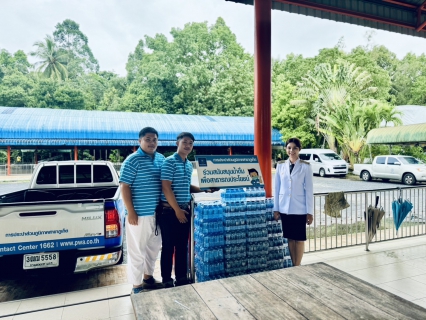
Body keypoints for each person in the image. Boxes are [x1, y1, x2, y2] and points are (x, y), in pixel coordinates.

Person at [159, 132, 215, 288]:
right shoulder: (169, 162)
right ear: (177, 143)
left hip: (184, 210)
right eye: (185, 142)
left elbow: (186, 187)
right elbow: (166, 187)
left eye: (191, 143)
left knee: (182, 246)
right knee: (169, 246)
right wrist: (177, 210)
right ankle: (166, 279)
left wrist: (204, 189)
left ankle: (181, 277)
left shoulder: (188, 164)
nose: (188, 145)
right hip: (169, 212)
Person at [120, 127, 165, 294]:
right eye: (148, 139)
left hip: (157, 214)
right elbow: (125, 186)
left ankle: (148, 278)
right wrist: (130, 211)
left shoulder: (161, 159)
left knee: (153, 249)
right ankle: (136, 286)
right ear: (140, 141)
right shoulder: (132, 160)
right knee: (137, 251)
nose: (152, 142)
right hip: (138, 215)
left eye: (154, 139)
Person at [273, 137, 313, 266]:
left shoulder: (305, 167)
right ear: (286, 149)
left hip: (300, 209)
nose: (292, 150)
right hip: (286, 209)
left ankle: (298, 265)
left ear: (299, 150)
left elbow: (309, 191)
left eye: (295, 148)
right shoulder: (280, 166)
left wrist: (309, 212)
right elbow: (277, 188)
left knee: (299, 239)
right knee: (290, 238)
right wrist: (276, 208)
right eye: (289, 148)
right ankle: (293, 264)